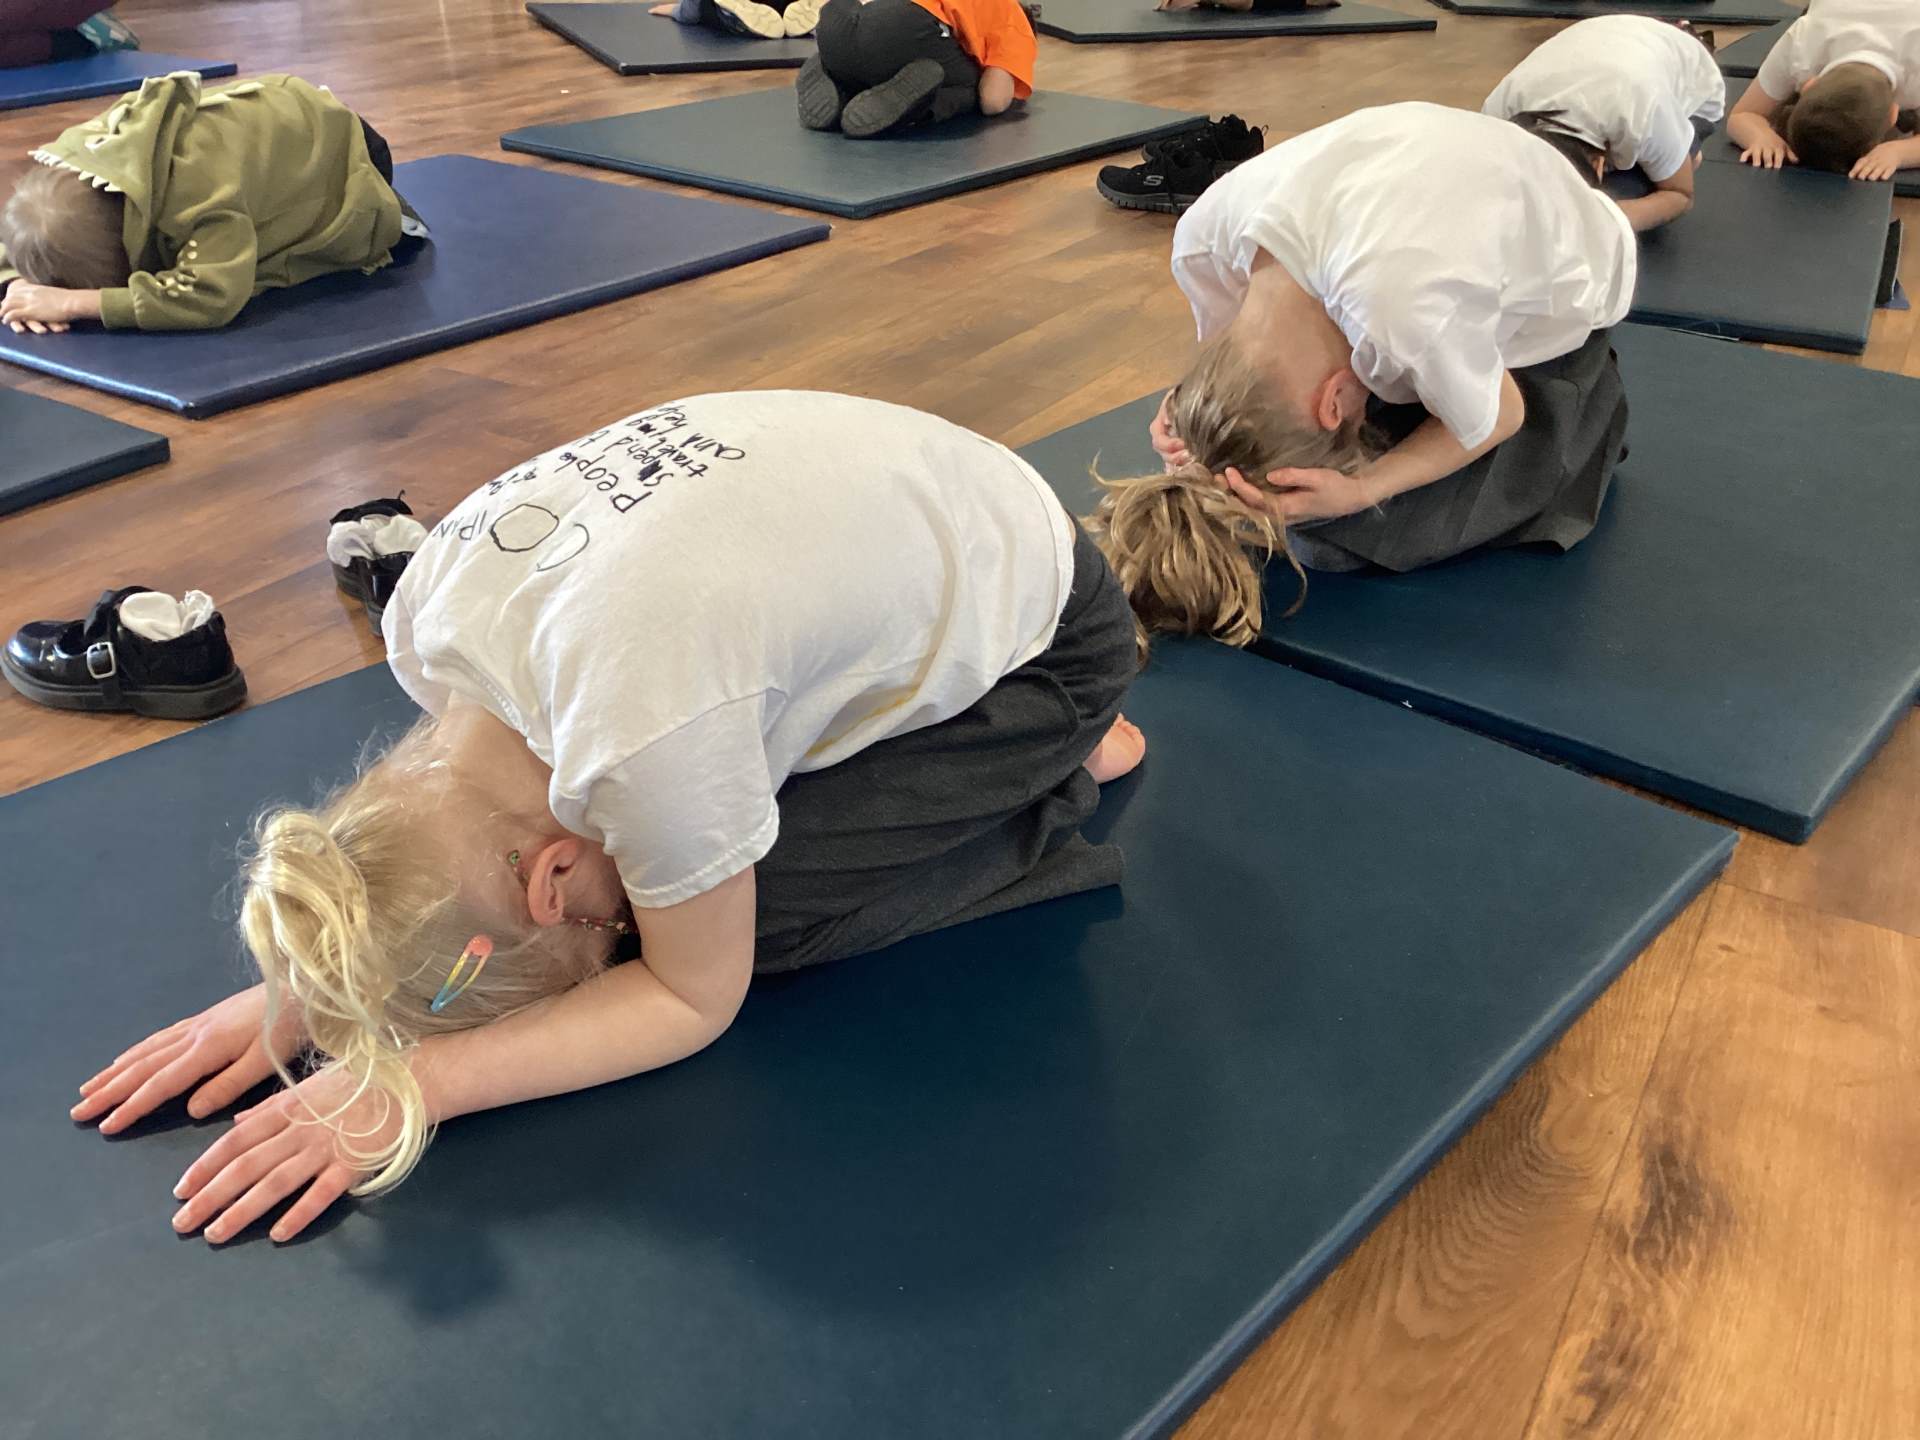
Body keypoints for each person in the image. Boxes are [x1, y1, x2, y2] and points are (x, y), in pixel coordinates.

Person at [69, 391, 1146, 1246]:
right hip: (934, 493)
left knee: (748, 924)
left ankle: (1050, 756)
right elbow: (425, 840)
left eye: (585, 928)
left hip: (1052, 638)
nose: (602, 927)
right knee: (696, 868)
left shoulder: (644, 751)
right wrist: (315, 977)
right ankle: (977, 718)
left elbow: (691, 997)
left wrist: (420, 1084)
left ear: (552, 883)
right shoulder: (425, 619)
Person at [1085, 102, 1635, 652]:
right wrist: (1197, 404)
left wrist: (1363, 489)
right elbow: (1228, 344)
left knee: (1343, 533)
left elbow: (1503, 415)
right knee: (1319, 511)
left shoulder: (1404, 316)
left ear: (1334, 404)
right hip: (1457, 175)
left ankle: (1588, 410)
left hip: (1578, 256)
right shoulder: (1202, 234)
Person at [0, 71, 414, 335]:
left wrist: (78, 303)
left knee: (254, 251)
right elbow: (31, 228)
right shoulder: (76, 158)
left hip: (347, 153)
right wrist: (17, 282)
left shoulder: (199, 199)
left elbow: (211, 294)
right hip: (278, 112)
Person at [1482, 14, 1726, 231]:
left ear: (1599, 164)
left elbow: (1680, 195)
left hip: (1692, 85)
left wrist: (1603, 224)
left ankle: (1684, 149)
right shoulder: (1497, 116)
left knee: (1615, 197)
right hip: (1607, 42)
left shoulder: (1642, 111)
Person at [1725, 0, 1920, 179]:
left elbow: (1742, 114)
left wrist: (1897, 152)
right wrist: (1760, 136)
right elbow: (1742, 115)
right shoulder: (1804, 42)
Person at [795, 0, 1035, 139]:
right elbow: (993, 101)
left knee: (873, 57)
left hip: (834, 22)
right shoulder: (1016, 22)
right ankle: (913, 109)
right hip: (898, 26)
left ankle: (833, 75)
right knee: (971, 82)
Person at [647, 0, 826, 40]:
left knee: (705, 10)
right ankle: (817, 8)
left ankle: (732, 15)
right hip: (787, 4)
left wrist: (676, 11)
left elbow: (691, 13)